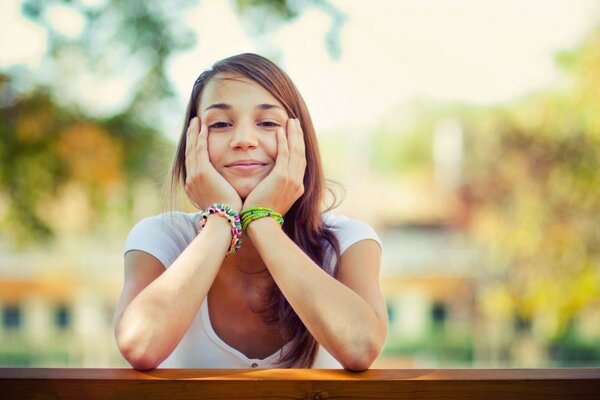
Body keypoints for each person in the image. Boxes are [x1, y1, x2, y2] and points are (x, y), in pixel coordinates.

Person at [114, 53, 387, 370]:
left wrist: (262, 220)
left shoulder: (347, 241)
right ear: (192, 141)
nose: (243, 140)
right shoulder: (162, 238)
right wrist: (222, 219)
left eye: (268, 123)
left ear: (300, 141)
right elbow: (139, 345)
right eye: (220, 124)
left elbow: (361, 347)